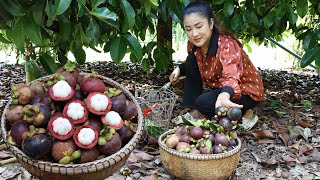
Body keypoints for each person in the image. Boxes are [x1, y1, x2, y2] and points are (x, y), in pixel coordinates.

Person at [170, 1, 264, 124]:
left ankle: (246, 113)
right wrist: (179, 69)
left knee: (203, 103)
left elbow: (231, 77)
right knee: (192, 59)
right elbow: (191, 62)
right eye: (189, 29)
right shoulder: (194, 44)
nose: (194, 34)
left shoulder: (227, 46)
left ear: (211, 23)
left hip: (245, 91)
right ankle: (192, 108)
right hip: (222, 88)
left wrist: (224, 95)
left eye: (199, 27)